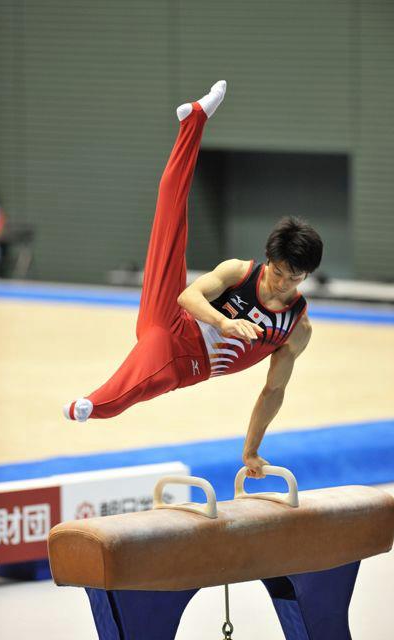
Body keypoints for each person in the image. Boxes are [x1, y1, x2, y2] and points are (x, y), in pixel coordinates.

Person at [64, 81, 323, 478]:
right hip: (173, 325)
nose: (283, 283)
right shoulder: (241, 271)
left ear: (306, 276)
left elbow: (273, 391)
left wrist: (251, 451)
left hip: (188, 362)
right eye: (278, 272)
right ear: (268, 259)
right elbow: (188, 297)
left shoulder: (296, 328)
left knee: (141, 379)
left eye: (295, 278)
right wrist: (224, 322)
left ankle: (94, 404)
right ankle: (194, 121)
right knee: (171, 217)